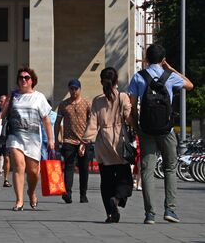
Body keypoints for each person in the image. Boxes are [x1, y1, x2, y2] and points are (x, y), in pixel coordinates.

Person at [128, 44, 193, 224]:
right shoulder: (170, 76)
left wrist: (136, 127)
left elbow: (131, 106)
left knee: (147, 171)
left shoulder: (138, 77)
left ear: (146, 59)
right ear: (163, 59)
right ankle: (170, 210)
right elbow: (189, 85)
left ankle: (150, 214)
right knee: (170, 168)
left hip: (146, 130)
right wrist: (170, 68)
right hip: (167, 131)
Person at [0, 67, 54, 211]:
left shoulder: (39, 97)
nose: (23, 80)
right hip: (15, 136)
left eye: (26, 77)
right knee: (19, 166)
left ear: (32, 81)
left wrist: (50, 139)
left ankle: (31, 192)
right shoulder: (13, 96)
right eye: (20, 78)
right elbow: (1, 114)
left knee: (33, 171)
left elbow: (46, 120)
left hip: (34, 137)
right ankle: (19, 200)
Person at [81, 67, 134, 223]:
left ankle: (111, 214)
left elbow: (92, 124)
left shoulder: (97, 100)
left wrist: (84, 142)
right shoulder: (123, 97)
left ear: (101, 82)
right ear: (116, 81)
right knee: (125, 179)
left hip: (103, 144)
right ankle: (117, 200)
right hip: (119, 143)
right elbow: (129, 118)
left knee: (106, 181)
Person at [54, 79, 92, 204]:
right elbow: (57, 123)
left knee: (84, 169)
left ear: (80, 89)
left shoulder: (87, 103)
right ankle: (68, 194)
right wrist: (56, 140)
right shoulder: (63, 104)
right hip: (68, 141)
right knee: (69, 167)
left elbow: (92, 123)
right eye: (71, 89)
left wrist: (86, 140)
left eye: (76, 89)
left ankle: (83, 195)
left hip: (84, 141)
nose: (73, 91)